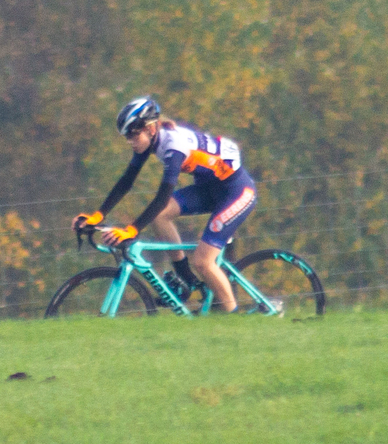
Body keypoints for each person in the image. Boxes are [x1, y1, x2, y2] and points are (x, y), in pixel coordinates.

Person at [72, 95, 258, 312]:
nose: (130, 141)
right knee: (161, 217)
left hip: (236, 191)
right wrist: (98, 215)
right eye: (126, 137)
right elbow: (127, 180)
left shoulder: (174, 146)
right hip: (211, 188)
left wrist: (132, 230)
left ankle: (232, 314)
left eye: (133, 134)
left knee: (203, 261)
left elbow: (162, 197)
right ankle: (186, 276)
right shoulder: (151, 141)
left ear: (150, 128)